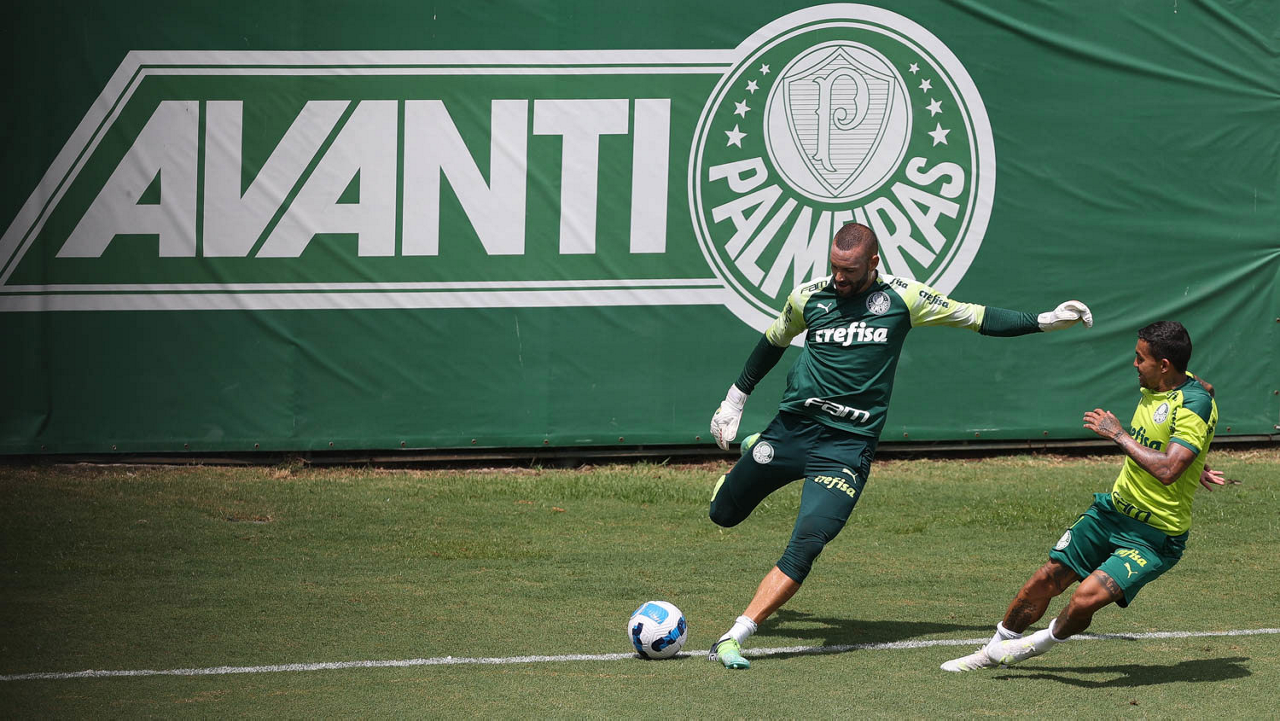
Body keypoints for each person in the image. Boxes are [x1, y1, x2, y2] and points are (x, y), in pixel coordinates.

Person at [704, 221, 1094, 670]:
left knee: (807, 543)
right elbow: (772, 342)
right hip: (792, 430)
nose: (839, 278)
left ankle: (736, 635)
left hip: (846, 447)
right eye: (834, 268)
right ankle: (753, 448)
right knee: (723, 515)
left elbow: (974, 316)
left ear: (873, 262)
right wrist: (734, 400)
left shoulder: (903, 297)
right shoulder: (807, 297)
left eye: (850, 271)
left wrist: (1044, 321)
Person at [941, 320, 1220, 672]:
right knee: (1046, 578)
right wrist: (1193, 458)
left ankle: (1034, 645)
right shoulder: (1174, 383)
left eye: (1140, 359)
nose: (1134, 364)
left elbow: (1168, 471)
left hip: (1155, 536)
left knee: (1085, 599)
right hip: (1112, 513)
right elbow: (1206, 390)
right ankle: (991, 652)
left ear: (1164, 365)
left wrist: (1120, 435)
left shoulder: (1192, 403)